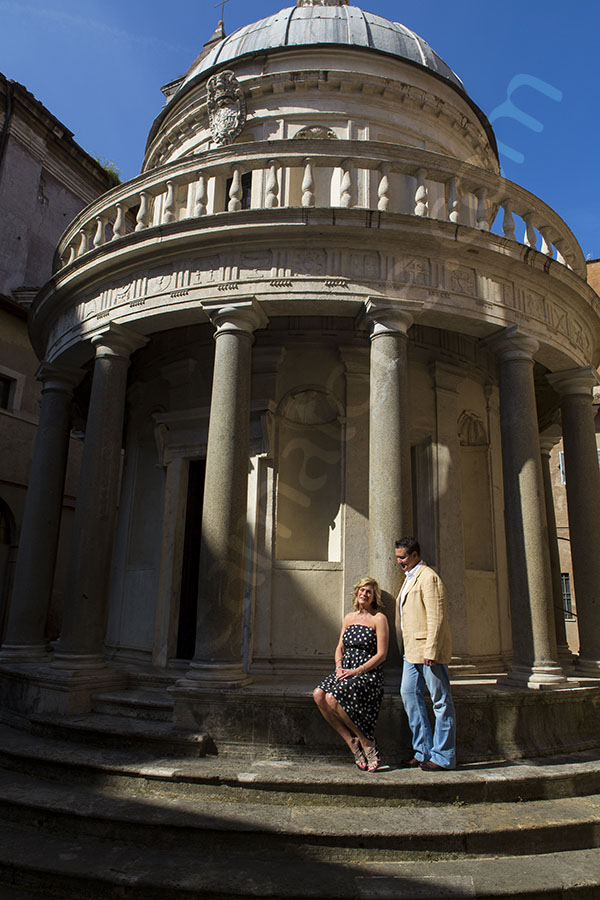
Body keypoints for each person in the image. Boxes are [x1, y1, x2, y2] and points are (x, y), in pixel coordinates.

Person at [313, 577, 389, 772]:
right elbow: (340, 647)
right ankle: (351, 742)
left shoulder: (378, 618)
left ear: (374, 598)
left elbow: (382, 654)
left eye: (369, 592)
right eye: (362, 590)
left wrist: (357, 670)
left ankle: (366, 741)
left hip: (366, 673)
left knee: (332, 698)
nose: (364, 594)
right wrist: (339, 666)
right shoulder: (348, 617)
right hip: (344, 670)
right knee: (318, 695)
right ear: (357, 593)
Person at [395, 536, 456, 771]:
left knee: (441, 702)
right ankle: (423, 751)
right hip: (411, 652)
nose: (399, 561)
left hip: (427, 651)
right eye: (397, 557)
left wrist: (431, 649)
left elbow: (436, 616)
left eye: (402, 557)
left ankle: (444, 756)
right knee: (409, 694)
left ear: (414, 555)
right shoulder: (409, 578)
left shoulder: (428, 577)